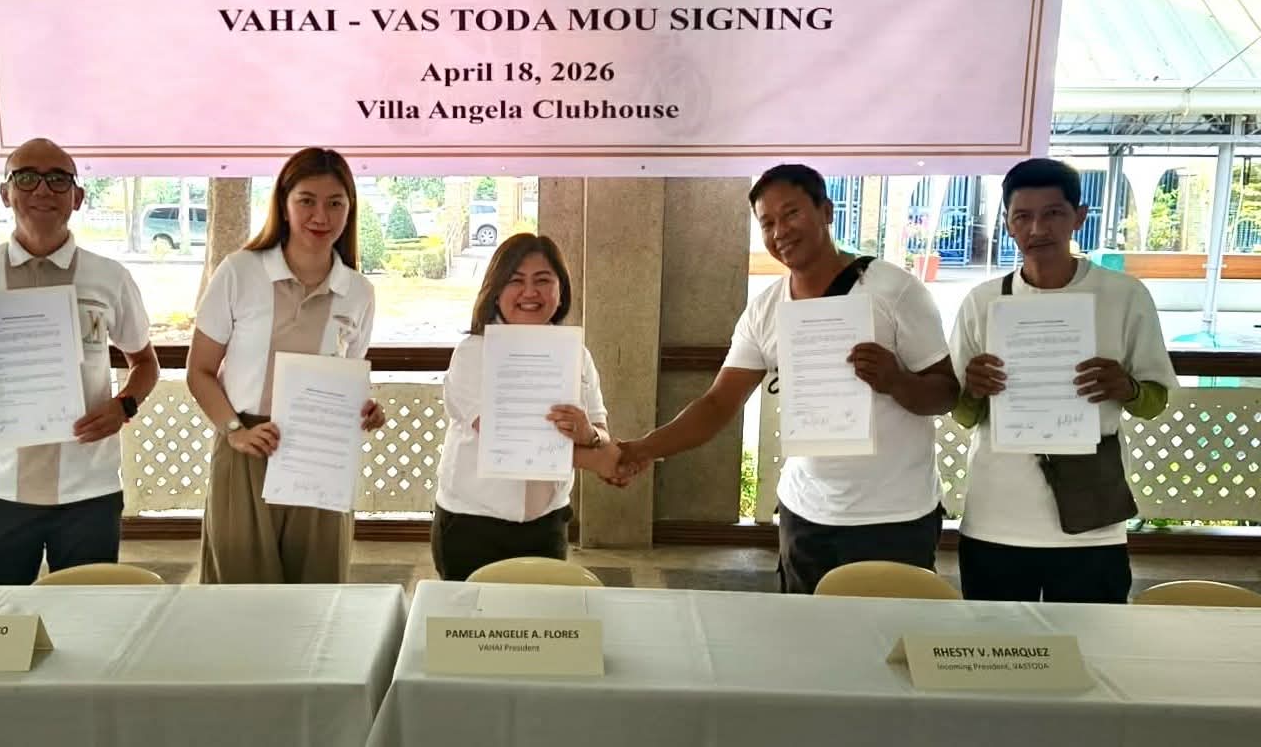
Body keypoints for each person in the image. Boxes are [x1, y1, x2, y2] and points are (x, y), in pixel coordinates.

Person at [617, 164, 959, 593]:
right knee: (804, 631)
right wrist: (641, 449)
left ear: (826, 211)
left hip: (894, 516)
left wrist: (896, 381)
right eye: (767, 223)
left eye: (791, 213)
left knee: (888, 633)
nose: (780, 231)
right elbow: (717, 404)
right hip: (805, 515)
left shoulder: (895, 291)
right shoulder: (766, 310)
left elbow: (946, 393)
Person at [0, 138, 158, 585]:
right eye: (26, 177)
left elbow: (145, 362)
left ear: (77, 197)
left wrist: (123, 406)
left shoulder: (110, 277)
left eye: (58, 179)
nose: (42, 189)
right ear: (5, 193)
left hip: (90, 488)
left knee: (89, 618)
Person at [951, 158, 1176, 603]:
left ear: (1079, 217)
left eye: (1053, 213)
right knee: (992, 641)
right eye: (1022, 216)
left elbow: (1155, 402)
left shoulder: (1124, 295)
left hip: (1091, 522)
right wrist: (974, 389)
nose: (1038, 228)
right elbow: (963, 415)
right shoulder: (982, 301)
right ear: (1008, 224)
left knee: (1093, 639)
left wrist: (1126, 387)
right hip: (996, 516)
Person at [188, 148, 384, 583]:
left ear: (350, 209)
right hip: (247, 446)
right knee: (240, 594)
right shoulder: (240, 271)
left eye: (335, 203)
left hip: (320, 453)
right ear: (283, 203)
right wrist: (235, 431)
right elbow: (199, 370)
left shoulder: (358, 292)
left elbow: (347, 376)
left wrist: (365, 410)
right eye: (307, 200)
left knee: (317, 593)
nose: (321, 216)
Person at [431, 234, 620, 581]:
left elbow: (602, 433)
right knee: (472, 614)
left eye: (543, 280)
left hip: (547, 521)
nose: (530, 292)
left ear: (560, 290)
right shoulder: (473, 353)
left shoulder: (578, 355)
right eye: (516, 281)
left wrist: (590, 435)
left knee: (540, 613)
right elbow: (512, 443)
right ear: (495, 291)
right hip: (472, 522)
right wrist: (604, 460)